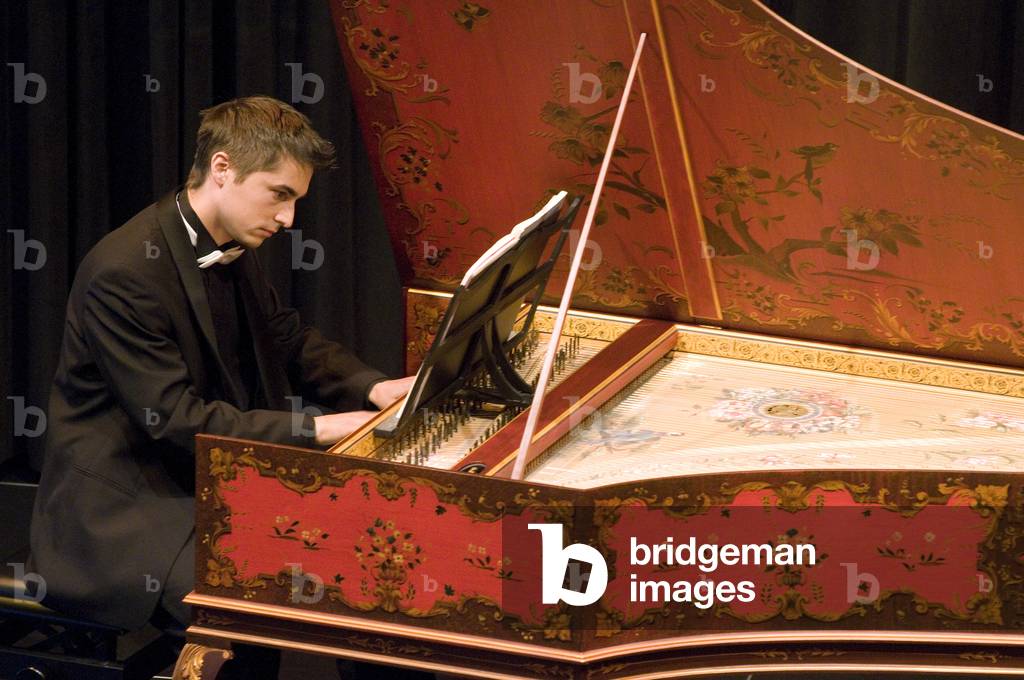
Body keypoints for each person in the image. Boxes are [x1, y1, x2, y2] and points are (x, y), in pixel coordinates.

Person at [28, 96, 416, 678]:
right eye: (279, 194)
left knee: (374, 580)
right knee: (296, 596)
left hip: (206, 482)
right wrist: (322, 427)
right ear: (223, 169)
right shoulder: (125, 271)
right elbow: (177, 420)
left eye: (295, 200)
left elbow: (284, 336)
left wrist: (373, 388)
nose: (289, 219)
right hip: (133, 507)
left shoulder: (227, 239)